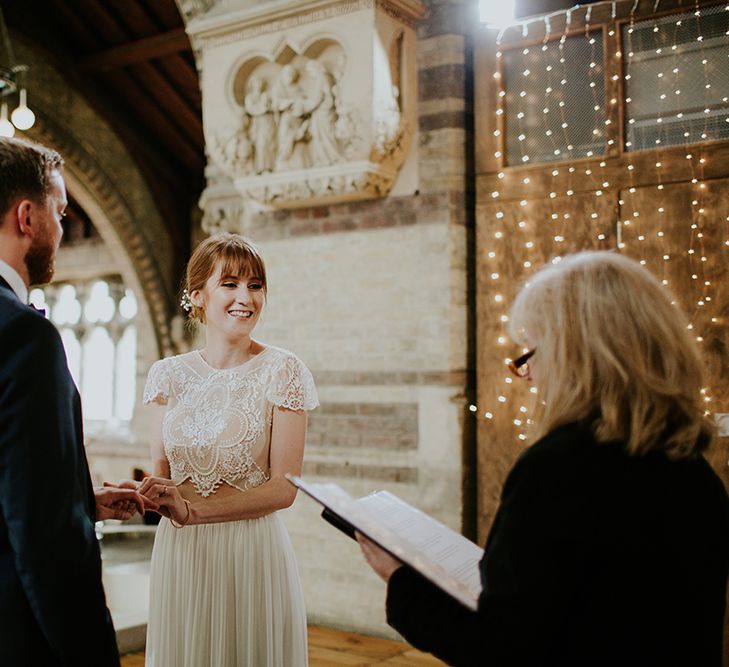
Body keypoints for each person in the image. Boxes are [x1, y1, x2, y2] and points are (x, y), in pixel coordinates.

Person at [357, 250, 729, 666]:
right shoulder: (693, 469)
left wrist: (402, 577)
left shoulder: (557, 469)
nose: (528, 373)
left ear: (578, 353)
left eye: (531, 351)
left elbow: (501, 648)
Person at [136, 233, 318, 666]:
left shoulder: (283, 370)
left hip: (250, 551)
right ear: (198, 295)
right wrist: (143, 495)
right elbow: (162, 475)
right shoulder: (167, 376)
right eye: (231, 283)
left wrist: (194, 512)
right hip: (181, 552)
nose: (246, 297)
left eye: (255, 285)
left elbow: (284, 489)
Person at [0, 136, 146, 666]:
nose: (62, 230)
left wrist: (80, 497)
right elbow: (44, 537)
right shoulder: (22, 336)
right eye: (59, 213)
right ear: (27, 218)